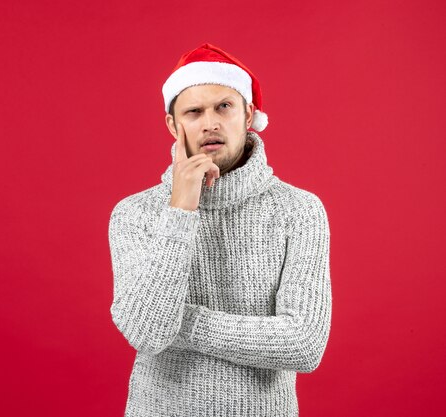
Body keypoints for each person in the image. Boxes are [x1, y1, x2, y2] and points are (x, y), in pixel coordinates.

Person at [107, 43, 331, 417]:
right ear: (172, 125)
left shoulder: (299, 210)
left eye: (223, 106)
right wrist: (181, 208)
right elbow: (146, 333)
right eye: (194, 111)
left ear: (248, 115)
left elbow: (304, 344)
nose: (210, 122)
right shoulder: (134, 214)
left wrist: (180, 320)